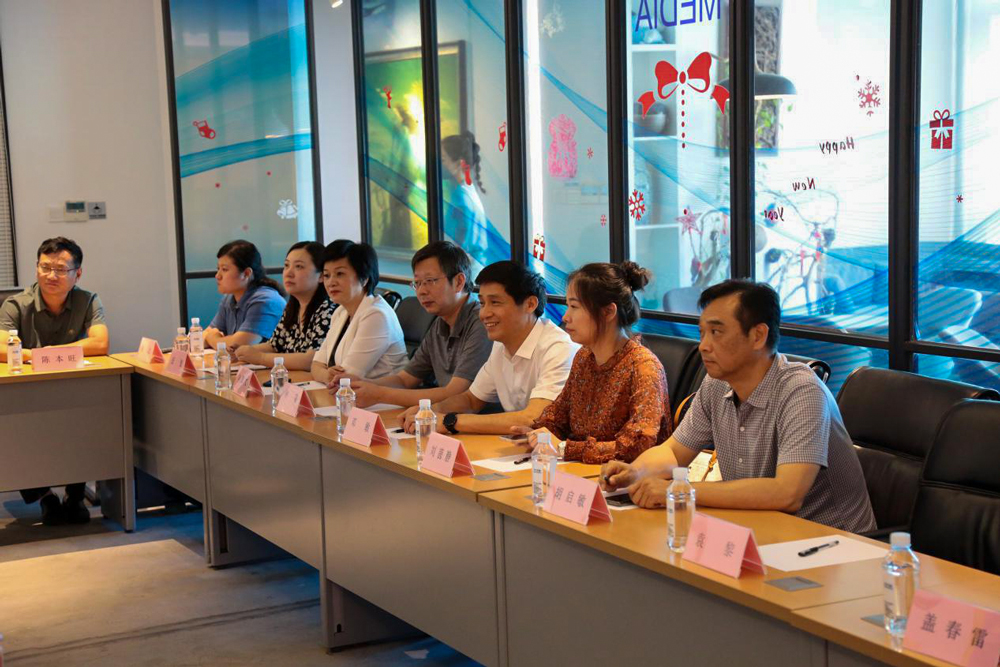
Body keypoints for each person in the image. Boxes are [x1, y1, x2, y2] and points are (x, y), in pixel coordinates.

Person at [599, 280, 877, 534]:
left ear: (758, 336)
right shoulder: (716, 383)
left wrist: (680, 490)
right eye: (702, 333)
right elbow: (673, 451)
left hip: (831, 540)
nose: (703, 346)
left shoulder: (801, 390)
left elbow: (788, 493)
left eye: (716, 332)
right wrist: (636, 472)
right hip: (760, 528)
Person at [513, 262, 672, 464]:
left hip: (626, 479)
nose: (565, 317)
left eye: (574, 307)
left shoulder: (644, 366)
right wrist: (537, 434)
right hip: (580, 471)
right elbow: (558, 416)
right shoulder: (584, 356)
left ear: (608, 312)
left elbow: (639, 444)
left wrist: (564, 448)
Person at [0, 237, 109, 525]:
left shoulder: (88, 300)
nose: (51, 275)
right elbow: (0, 347)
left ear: (77, 273)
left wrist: (45, 354)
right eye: (45, 267)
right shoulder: (15, 304)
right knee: (16, 429)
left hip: (73, 391)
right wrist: (41, 357)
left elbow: (100, 343)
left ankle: (75, 495)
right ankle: (45, 496)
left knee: (87, 422)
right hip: (25, 392)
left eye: (61, 269)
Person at [401, 260, 577, 435]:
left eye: (495, 302)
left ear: (530, 304)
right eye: (483, 303)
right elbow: (471, 400)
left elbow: (533, 418)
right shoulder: (500, 345)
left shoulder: (558, 348)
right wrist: (430, 411)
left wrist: (450, 421)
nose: (484, 313)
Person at [332, 241, 492, 408]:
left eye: (430, 281)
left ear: (459, 282)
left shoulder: (481, 322)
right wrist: (362, 384)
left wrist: (379, 394)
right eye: (418, 283)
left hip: (479, 420)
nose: (421, 291)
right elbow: (405, 379)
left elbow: (456, 393)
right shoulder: (440, 323)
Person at [312, 241, 407, 382]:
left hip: (383, 394)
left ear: (364, 279)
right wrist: (326, 375)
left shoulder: (376, 315)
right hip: (349, 392)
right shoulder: (340, 312)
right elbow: (316, 365)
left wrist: (327, 375)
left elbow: (347, 377)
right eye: (326, 275)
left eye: (340, 274)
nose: (331, 282)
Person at [235, 241, 337, 370]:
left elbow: (311, 360)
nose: (288, 273)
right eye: (286, 265)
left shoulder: (328, 309)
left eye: (299, 266)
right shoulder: (293, 308)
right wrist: (243, 352)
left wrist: (260, 358)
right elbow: (274, 346)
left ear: (321, 276)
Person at [203, 240, 286, 351]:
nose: (217, 276)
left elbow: (237, 345)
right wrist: (213, 338)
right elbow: (203, 336)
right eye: (218, 269)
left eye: (224, 269)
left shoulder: (265, 301)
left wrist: (212, 338)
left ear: (246, 273)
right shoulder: (229, 299)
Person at [441, 133, 488, 271]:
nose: (439, 164)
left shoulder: (461, 199)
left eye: (443, 159)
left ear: (459, 163)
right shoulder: (465, 191)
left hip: (466, 272)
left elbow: (460, 244)